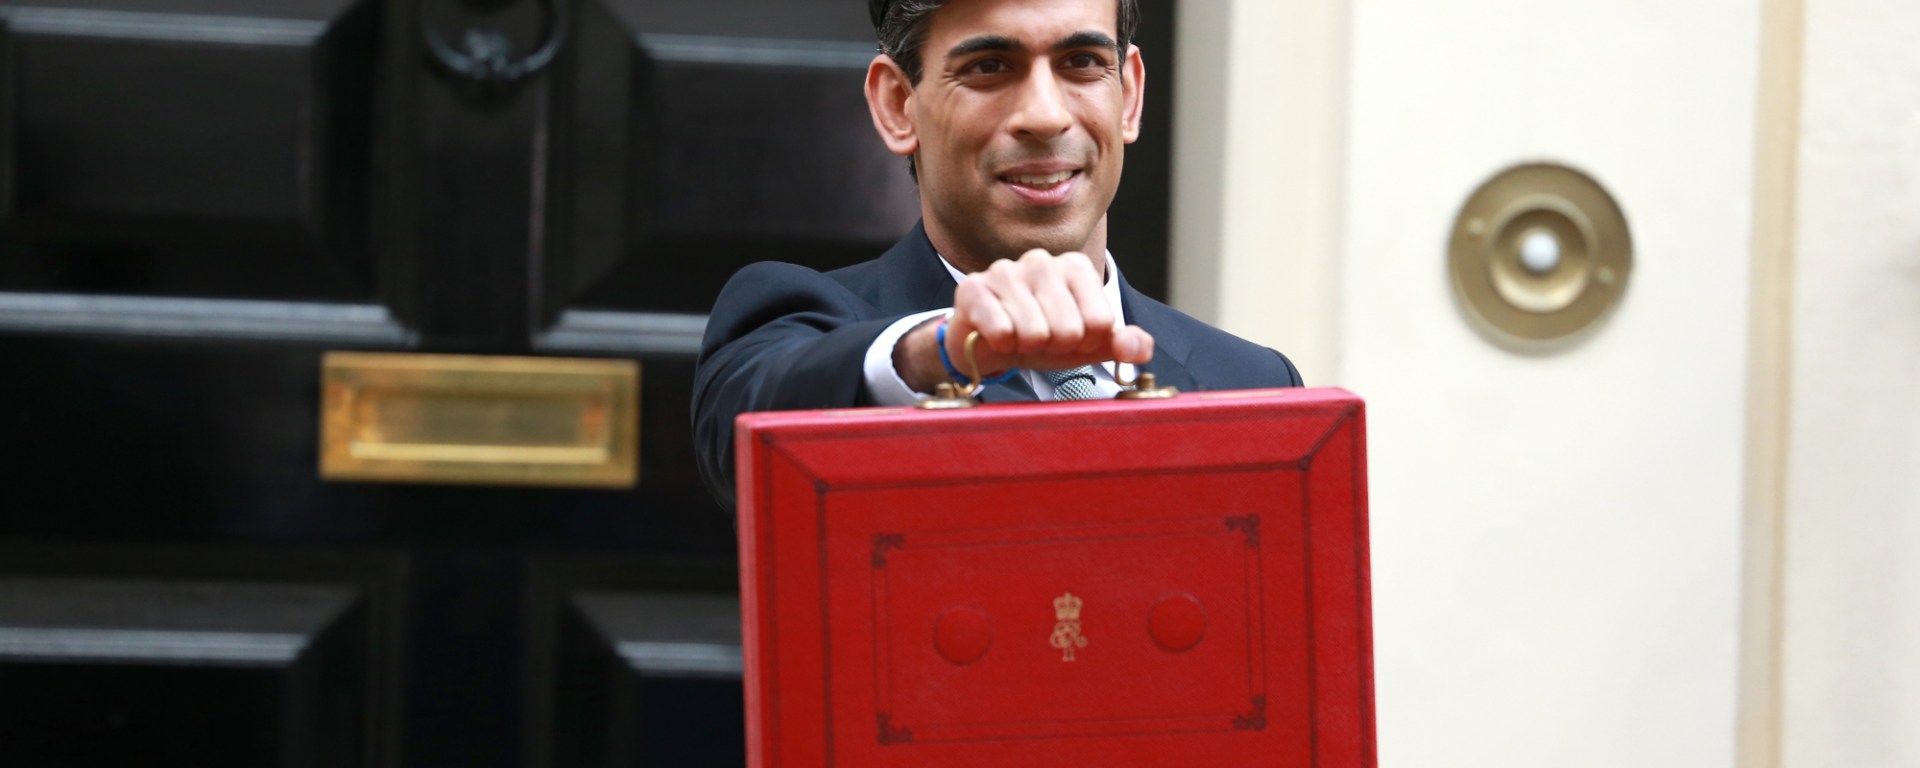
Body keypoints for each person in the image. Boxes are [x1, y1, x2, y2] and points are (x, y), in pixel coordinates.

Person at [692, 0, 1302, 510]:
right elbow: (747, 432)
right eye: (990, 66)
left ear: (1130, 95)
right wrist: (941, 351)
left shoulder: (1256, 385)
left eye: (1082, 62)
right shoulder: (798, 325)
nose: (1044, 114)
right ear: (896, 106)